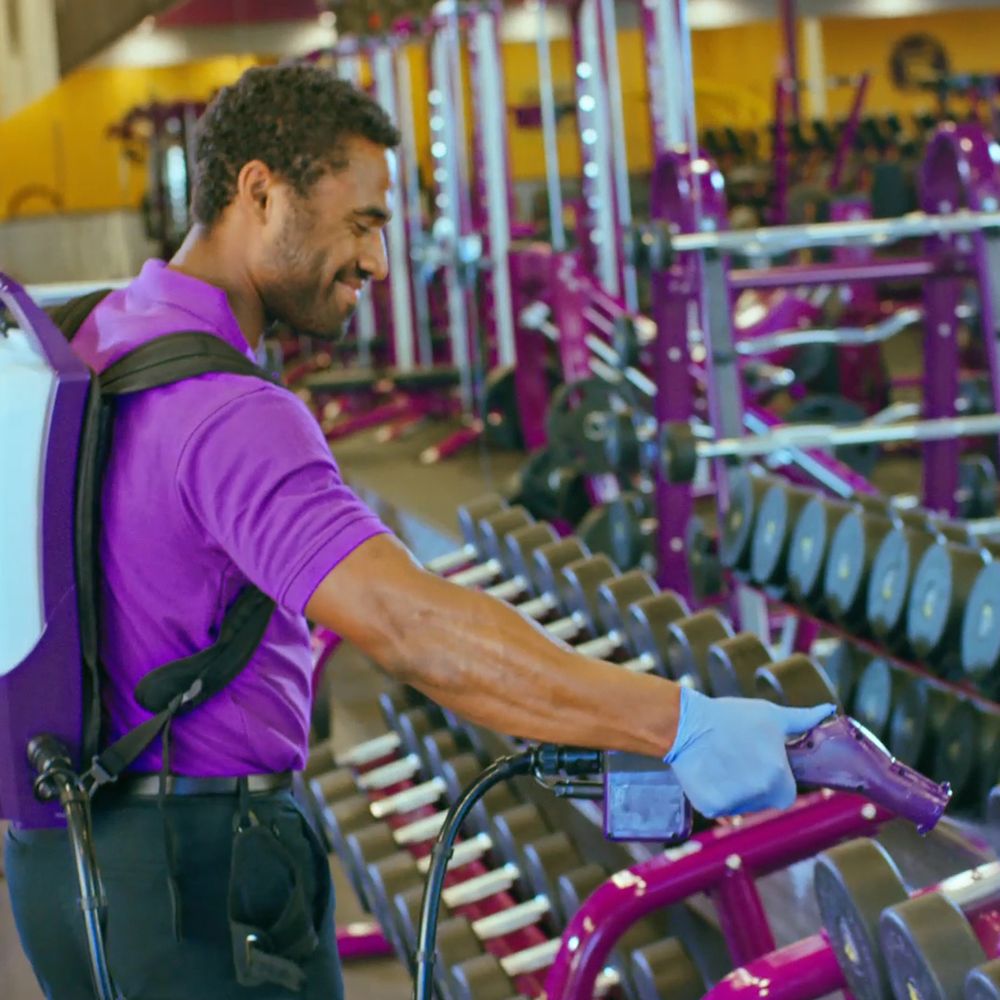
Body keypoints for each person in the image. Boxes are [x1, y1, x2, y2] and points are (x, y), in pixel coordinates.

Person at [4, 65, 833, 1000]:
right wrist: (678, 723)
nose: (376, 263)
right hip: (194, 880)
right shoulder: (231, 414)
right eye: (361, 223)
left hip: (64, 862)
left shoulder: (94, 335)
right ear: (260, 192)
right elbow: (412, 630)